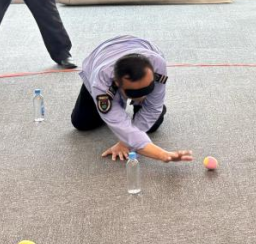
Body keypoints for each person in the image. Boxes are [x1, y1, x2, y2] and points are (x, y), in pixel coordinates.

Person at [72, 35, 193, 163]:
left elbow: (152, 108)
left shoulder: (158, 64)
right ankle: (121, 99)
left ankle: (150, 100)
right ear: (117, 83)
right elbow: (117, 120)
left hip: (138, 45)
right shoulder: (100, 82)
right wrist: (163, 155)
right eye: (135, 92)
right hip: (100, 58)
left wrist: (125, 142)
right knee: (82, 123)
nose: (142, 97)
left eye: (146, 89)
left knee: (152, 124)